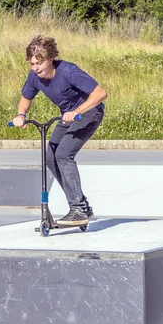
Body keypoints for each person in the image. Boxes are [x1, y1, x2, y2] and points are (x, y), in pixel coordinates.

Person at [12, 35, 107, 226]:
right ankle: (82, 205)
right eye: (32, 64)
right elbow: (26, 97)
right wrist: (21, 115)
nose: (35, 68)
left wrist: (77, 111)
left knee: (63, 154)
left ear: (49, 59)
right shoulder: (34, 76)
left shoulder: (69, 71)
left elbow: (101, 93)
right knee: (51, 156)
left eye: (39, 63)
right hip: (67, 116)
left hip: (89, 113)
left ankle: (78, 209)